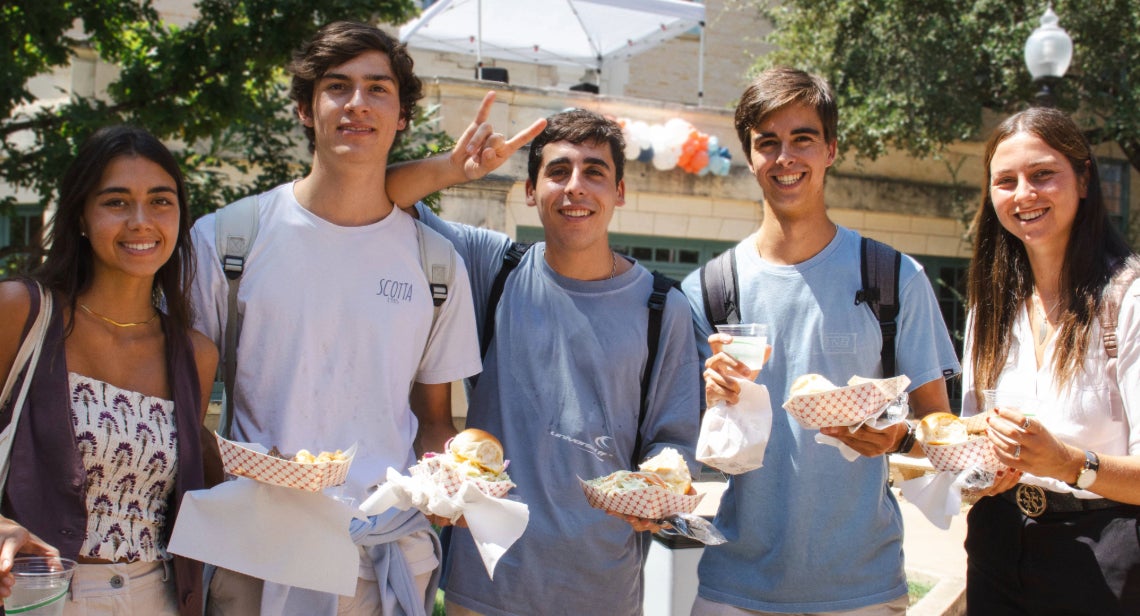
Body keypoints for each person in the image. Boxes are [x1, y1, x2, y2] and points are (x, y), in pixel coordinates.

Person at [187, 21, 482, 615]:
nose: (357, 104)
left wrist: (450, 487)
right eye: (337, 86)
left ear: (401, 117)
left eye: (378, 89)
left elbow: (433, 421)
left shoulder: (437, 264)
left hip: (380, 558)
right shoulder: (228, 240)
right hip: (254, 552)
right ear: (305, 107)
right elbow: (182, 408)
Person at [387, 103, 701, 616]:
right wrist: (453, 167)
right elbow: (383, 198)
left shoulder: (662, 307)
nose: (575, 186)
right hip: (485, 586)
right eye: (558, 172)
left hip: (602, 590)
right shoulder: (493, 267)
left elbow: (670, 449)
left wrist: (657, 502)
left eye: (593, 172)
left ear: (619, 192)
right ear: (531, 191)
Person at [683, 67, 960, 615]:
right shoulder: (709, 290)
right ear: (751, 157)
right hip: (734, 589)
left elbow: (941, 433)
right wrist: (710, 405)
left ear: (831, 149)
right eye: (768, 143)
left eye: (802, 139)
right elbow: (691, 451)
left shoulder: (893, 278)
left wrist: (896, 437)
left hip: (862, 590)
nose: (785, 157)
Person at [0, 125, 218, 615]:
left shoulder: (194, 354)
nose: (141, 221)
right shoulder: (21, 313)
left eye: (161, 201)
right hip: (38, 596)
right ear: (80, 216)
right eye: (116, 202)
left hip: (155, 595)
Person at [959, 107, 1140, 614]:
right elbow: (977, 434)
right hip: (998, 541)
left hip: (1105, 552)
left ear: (1084, 179)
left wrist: (1067, 464)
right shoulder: (989, 310)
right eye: (1005, 180)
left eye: (1043, 175)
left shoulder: (1129, 300)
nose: (1023, 194)